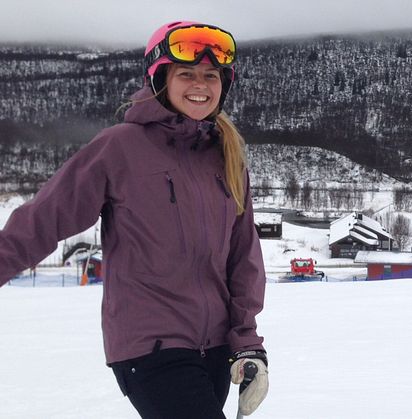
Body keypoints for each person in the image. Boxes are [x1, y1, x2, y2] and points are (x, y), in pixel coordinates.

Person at [0, 21, 268, 418]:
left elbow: (243, 258)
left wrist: (247, 342)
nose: (201, 85)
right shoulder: (119, 147)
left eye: (212, 76)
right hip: (151, 347)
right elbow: (43, 218)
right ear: (160, 77)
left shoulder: (226, 156)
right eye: (187, 74)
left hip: (213, 351)